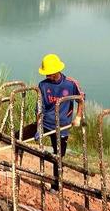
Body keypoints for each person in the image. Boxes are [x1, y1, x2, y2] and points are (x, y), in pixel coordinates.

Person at [17, 53, 84, 191]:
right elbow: (39, 107)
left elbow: (81, 100)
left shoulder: (71, 84)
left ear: (56, 71)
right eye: (46, 73)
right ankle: (14, 162)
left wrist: (78, 117)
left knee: (58, 157)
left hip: (62, 127)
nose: (47, 76)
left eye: (49, 73)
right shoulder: (43, 85)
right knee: (18, 137)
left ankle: (55, 186)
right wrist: (39, 127)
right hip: (45, 123)